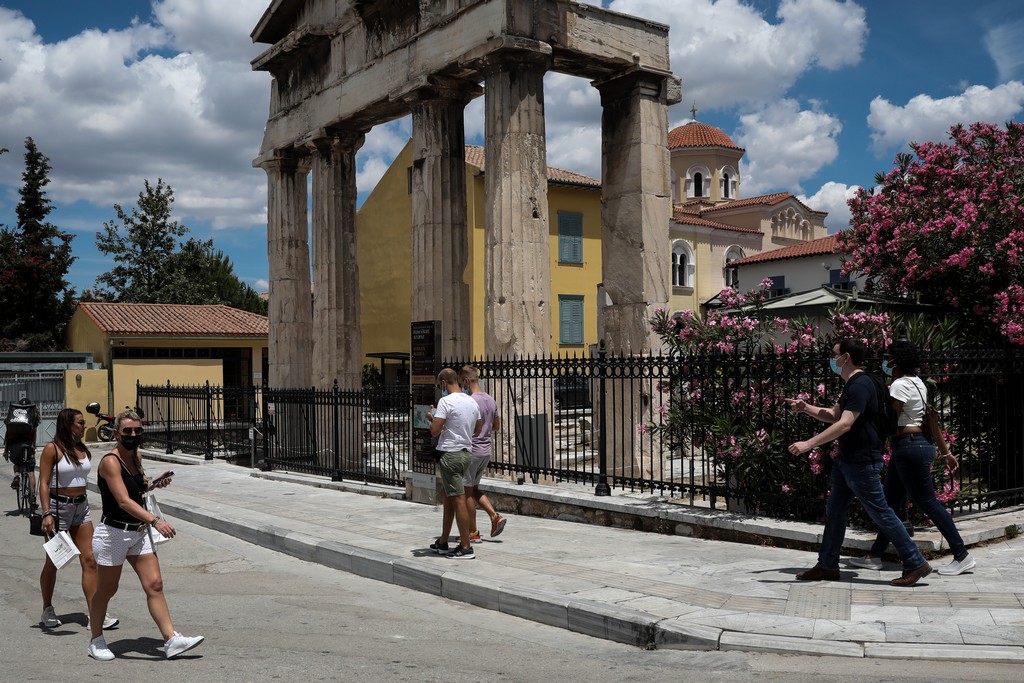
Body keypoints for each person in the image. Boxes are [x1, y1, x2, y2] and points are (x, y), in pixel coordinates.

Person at [785, 338, 931, 587]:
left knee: (881, 512)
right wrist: (806, 407)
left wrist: (809, 444)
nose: (832, 359)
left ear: (847, 357)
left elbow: (845, 423)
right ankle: (828, 565)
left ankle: (915, 561)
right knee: (835, 511)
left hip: (861, 460)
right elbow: (834, 415)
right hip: (849, 460)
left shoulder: (861, 384)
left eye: (835, 354)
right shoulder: (856, 383)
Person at [850, 340, 975, 576]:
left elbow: (890, 421)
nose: (886, 362)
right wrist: (946, 452)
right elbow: (930, 420)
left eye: (889, 357)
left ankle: (962, 555)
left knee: (928, 502)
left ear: (897, 361)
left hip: (909, 447)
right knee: (890, 503)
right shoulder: (918, 383)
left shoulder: (898, 385)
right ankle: (874, 555)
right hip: (915, 446)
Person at [87, 409, 203, 661]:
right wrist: (156, 520)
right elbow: (123, 501)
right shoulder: (110, 461)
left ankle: (171, 639)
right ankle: (96, 640)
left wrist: (153, 484)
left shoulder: (135, 456)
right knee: (107, 590)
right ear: (116, 433)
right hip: (114, 534)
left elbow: (136, 491)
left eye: (138, 430)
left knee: (155, 585)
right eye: (127, 430)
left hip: (138, 533)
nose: (133, 434)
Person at [37, 408, 119, 631]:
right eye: (80, 423)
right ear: (68, 425)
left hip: (81, 507)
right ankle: (47, 609)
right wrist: (46, 513)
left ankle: (95, 612)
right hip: (57, 508)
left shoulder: (81, 448)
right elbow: (43, 482)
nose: (85, 426)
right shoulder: (52, 449)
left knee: (90, 560)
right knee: (54, 562)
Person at [427, 368, 482, 560]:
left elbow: (434, 431)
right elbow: (478, 427)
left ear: (443, 384)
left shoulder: (445, 401)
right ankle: (443, 541)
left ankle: (466, 546)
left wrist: (431, 418)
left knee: (458, 498)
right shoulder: (471, 401)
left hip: (450, 454)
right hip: (466, 453)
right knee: (447, 496)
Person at [459, 366, 506, 542]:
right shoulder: (490, 399)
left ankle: (473, 533)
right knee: (475, 488)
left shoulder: (471, 401)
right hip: (486, 451)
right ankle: (495, 517)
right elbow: (497, 426)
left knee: (467, 493)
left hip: (472, 451)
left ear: (466, 381)